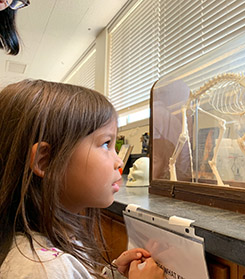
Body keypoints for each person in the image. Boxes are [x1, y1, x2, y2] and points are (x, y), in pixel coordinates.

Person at [0, 79, 164, 279]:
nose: (119, 161)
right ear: (45, 161)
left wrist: (114, 274)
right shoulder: (42, 270)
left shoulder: (55, 240)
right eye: (106, 144)